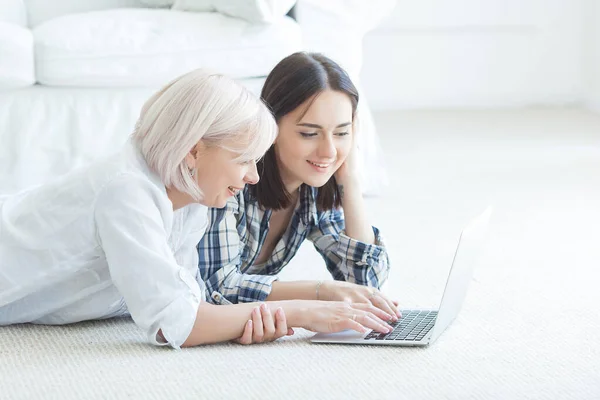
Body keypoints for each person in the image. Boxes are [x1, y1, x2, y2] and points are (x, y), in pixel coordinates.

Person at [0, 69, 394, 349]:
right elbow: (174, 325)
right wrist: (303, 313)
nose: (254, 177)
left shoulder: (190, 200)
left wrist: (255, 319)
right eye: (243, 160)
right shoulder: (126, 191)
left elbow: (192, 306)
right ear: (194, 150)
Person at [198, 53, 400, 323]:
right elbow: (216, 289)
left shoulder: (312, 190)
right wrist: (321, 292)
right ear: (270, 125)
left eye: (341, 133)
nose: (328, 151)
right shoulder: (232, 177)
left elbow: (366, 283)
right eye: (309, 133)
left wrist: (350, 181)